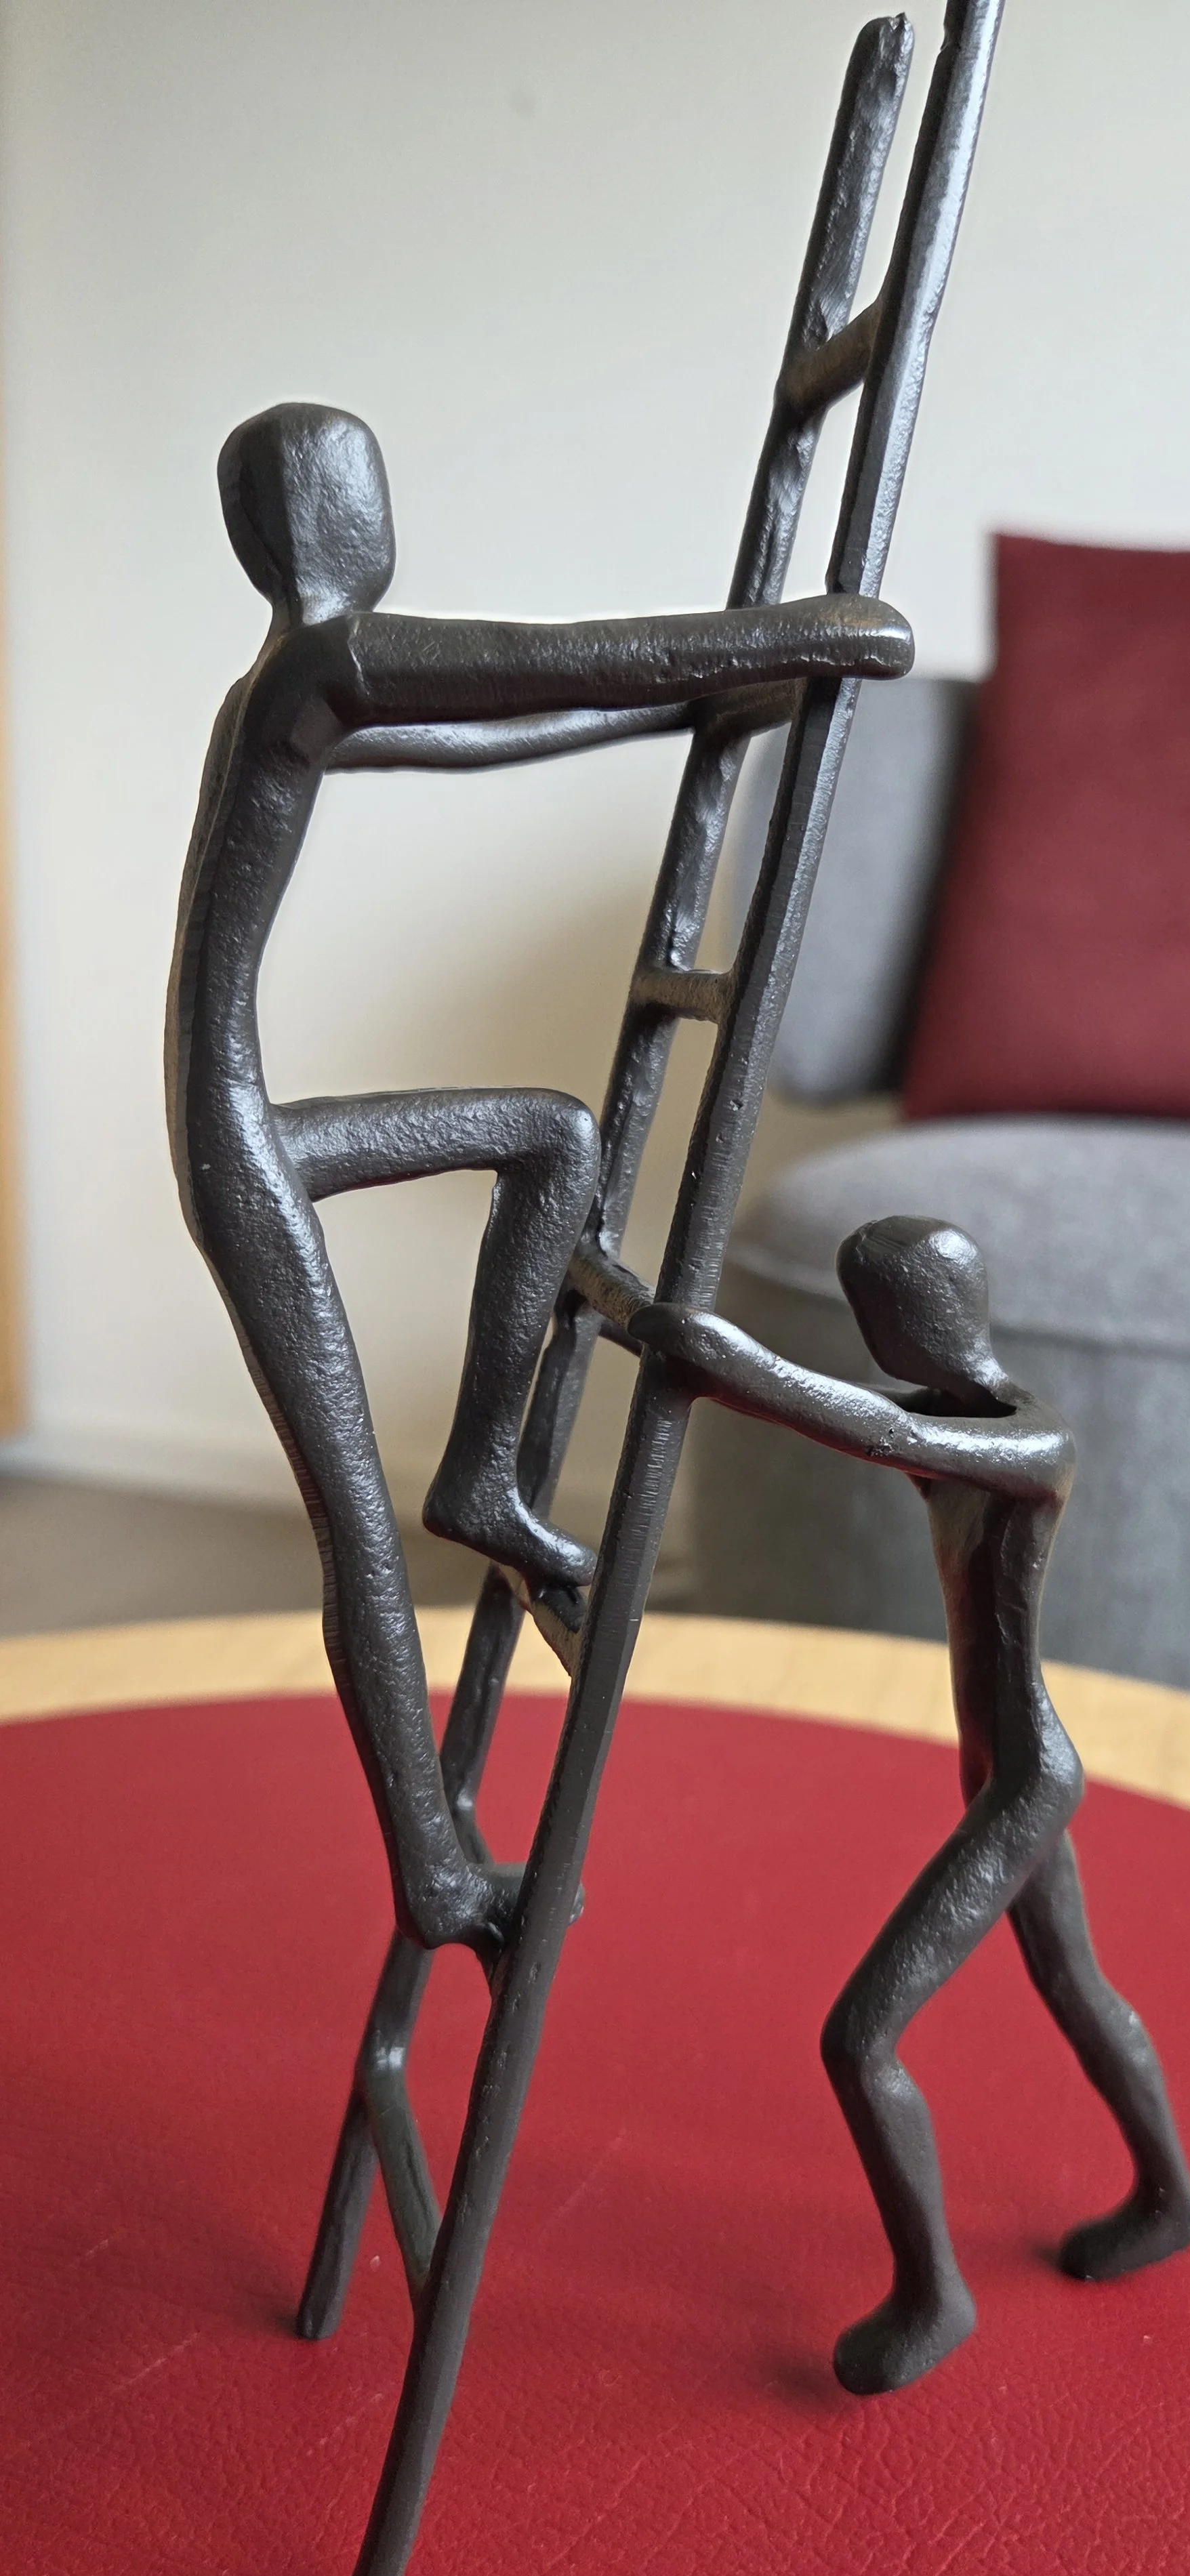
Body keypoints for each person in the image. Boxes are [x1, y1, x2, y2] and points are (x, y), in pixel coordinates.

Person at [167, 398, 913, 1966]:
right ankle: (431, 1868)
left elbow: (511, 722)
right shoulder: (320, 664)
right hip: (242, 1142)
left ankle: (484, 1476)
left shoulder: (324, 685)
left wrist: (715, 702)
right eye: (356, 484)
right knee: (355, 1533)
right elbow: (546, 660)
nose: (378, 511)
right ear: (307, 521)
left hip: (257, 1114)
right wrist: (801, 632)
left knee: (557, 1135)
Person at [632, 1216, 1190, 2394]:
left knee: (861, 2040)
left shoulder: (1030, 1440)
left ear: (936, 1316)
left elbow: (876, 1427)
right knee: (1076, 1989)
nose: (878, 1341)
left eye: (885, 1318)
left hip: (1026, 1779)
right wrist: (655, 1327)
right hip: (998, 1773)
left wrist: (724, 1359)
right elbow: (858, 1416)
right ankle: (1170, 2199)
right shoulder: (950, 1419)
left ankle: (934, 2295)